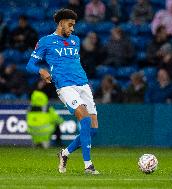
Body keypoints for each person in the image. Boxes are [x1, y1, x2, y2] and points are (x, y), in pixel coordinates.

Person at [26, 9, 100, 175]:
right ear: (61, 23)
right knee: (85, 119)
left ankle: (64, 153)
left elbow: (74, 62)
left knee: (93, 129)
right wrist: (42, 71)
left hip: (83, 84)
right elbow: (30, 64)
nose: (72, 28)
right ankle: (88, 165)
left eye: (74, 25)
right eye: (70, 24)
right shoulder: (46, 41)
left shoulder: (76, 40)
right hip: (65, 86)